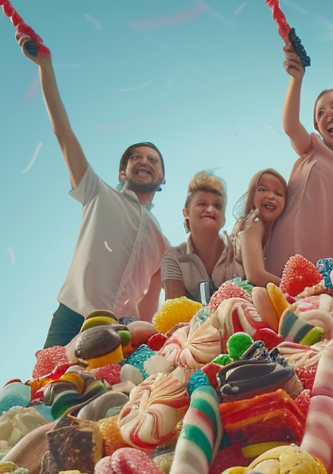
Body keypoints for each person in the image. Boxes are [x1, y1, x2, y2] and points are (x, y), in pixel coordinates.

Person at [18, 35, 169, 347]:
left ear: (162, 178)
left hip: (122, 331)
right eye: (135, 157)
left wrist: (144, 332)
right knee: (47, 390)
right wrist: (45, 66)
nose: (144, 161)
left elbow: (152, 297)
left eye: (152, 160)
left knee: (113, 396)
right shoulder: (97, 192)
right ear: (121, 171)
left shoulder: (162, 242)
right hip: (74, 315)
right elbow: (63, 132)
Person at [264, 47, 333, 273]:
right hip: (283, 264)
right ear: (318, 128)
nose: (328, 114)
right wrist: (296, 79)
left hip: (331, 276)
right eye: (320, 113)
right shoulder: (313, 147)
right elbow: (290, 125)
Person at [161, 173, 242, 302]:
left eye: (217, 206)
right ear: (186, 213)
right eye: (202, 204)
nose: (210, 209)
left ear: (224, 219)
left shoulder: (240, 251)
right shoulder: (174, 258)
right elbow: (175, 312)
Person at [228, 169, 288, 288]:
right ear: (251, 196)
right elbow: (255, 275)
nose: (271, 196)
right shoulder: (254, 224)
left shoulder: (270, 231)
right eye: (262, 189)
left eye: (278, 193)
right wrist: (290, 287)